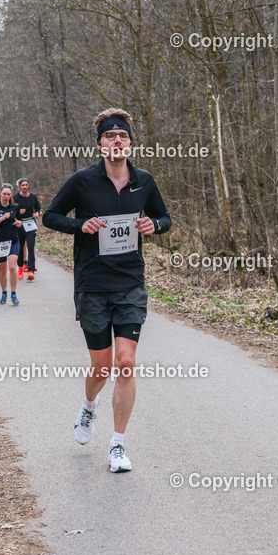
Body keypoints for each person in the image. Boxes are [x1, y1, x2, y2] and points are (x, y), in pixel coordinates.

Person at [43, 108, 171, 473]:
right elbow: (51, 216)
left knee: (125, 364)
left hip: (130, 283)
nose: (118, 142)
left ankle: (117, 445)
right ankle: (88, 408)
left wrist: (153, 225)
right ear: (100, 144)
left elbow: (165, 218)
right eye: (111, 137)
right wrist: (81, 225)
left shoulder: (144, 181)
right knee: (101, 368)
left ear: (130, 143)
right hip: (92, 285)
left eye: (123, 137)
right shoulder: (82, 181)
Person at [0, 184, 22, 305]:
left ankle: (13, 293)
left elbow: (20, 221)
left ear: (11, 195)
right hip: (0, 241)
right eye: (4, 194)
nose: (6, 196)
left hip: (13, 240)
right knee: (3, 270)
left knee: (12, 267)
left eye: (8, 194)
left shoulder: (14, 207)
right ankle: (4, 292)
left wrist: (19, 223)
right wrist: (2, 218)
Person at [14, 178, 43, 281]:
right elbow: (11, 211)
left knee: (31, 247)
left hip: (31, 224)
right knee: (21, 248)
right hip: (20, 225)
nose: (25, 187)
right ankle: (21, 267)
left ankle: (31, 271)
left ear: (28, 185)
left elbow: (39, 208)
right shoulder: (15, 198)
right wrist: (18, 212)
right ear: (19, 187)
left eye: (26, 185)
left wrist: (37, 213)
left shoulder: (33, 197)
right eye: (23, 185)